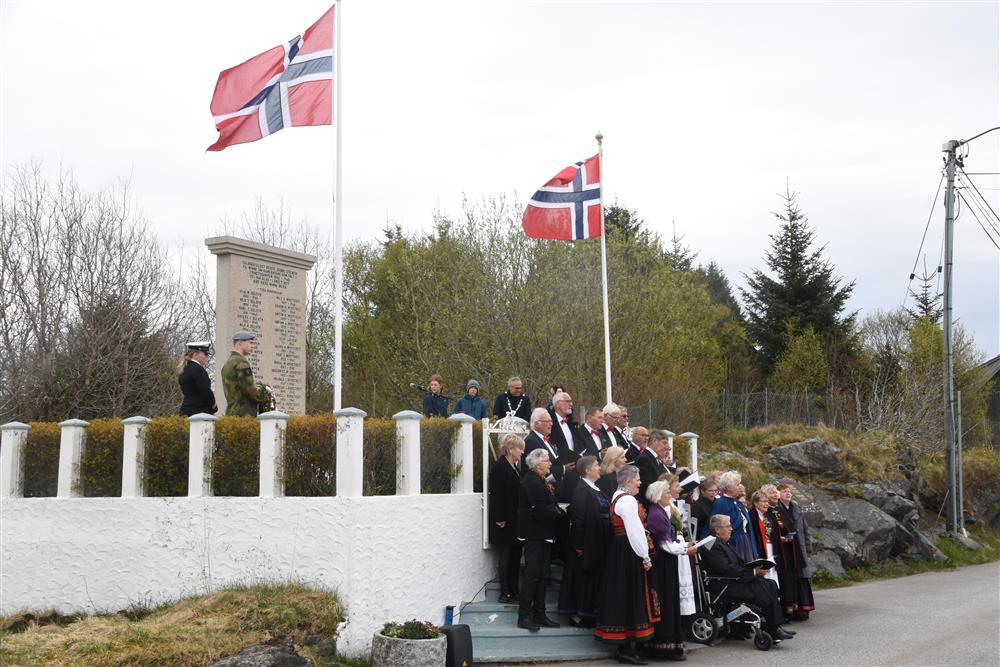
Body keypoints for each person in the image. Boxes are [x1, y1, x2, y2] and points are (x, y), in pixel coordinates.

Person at [595, 465, 660, 665]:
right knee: (632, 594)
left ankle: (626, 646)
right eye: (638, 478)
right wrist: (645, 556)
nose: (640, 482)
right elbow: (635, 531)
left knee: (623, 594)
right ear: (628, 481)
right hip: (628, 551)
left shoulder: (617, 497)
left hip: (620, 551)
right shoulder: (628, 500)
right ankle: (628, 648)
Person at [700, 514, 795, 642]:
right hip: (724, 585)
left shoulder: (725, 543)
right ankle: (772, 628)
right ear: (717, 529)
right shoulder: (711, 545)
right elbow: (726, 569)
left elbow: (738, 565)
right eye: (728, 526)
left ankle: (774, 626)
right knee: (764, 587)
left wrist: (755, 565)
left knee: (771, 584)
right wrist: (753, 572)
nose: (731, 529)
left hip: (735, 580)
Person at [645, 478, 697, 661]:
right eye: (666, 492)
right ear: (658, 495)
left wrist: (684, 545)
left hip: (668, 562)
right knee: (666, 603)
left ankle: (672, 646)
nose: (669, 495)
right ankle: (664, 648)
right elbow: (666, 545)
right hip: (663, 564)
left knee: (671, 602)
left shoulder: (659, 511)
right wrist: (686, 550)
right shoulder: (656, 514)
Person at [516, 448, 565, 631]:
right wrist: (558, 511)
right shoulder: (531, 481)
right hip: (535, 535)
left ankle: (540, 613)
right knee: (532, 575)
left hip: (544, 535)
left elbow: (548, 504)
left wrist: (554, 509)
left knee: (543, 575)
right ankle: (524, 616)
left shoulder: (540, 480)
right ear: (537, 464)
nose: (550, 464)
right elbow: (541, 510)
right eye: (546, 461)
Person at [559, 456, 611, 628]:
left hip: (599, 539)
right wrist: (579, 545)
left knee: (594, 577)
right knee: (585, 578)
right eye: (596, 465)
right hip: (588, 541)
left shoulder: (595, 488)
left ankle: (591, 612)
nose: (599, 468)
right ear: (588, 470)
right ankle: (579, 615)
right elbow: (579, 520)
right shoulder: (581, 491)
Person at [490, 434, 525, 604]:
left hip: (515, 520)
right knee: (506, 555)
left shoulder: (514, 467)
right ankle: (505, 592)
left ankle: (514, 590)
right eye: (519, 448)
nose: (522, 452)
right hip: (505, 520)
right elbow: (497, 494)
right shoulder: (501, 466)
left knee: (515, 555)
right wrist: (500, 518)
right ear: (510, 449)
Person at [775, 483, 816, 620]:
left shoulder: (796, 508)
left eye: (789, 491)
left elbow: (805, 530)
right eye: (784, 491)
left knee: (803, 577)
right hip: (787, 550)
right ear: (778, 494)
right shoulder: (777, 509)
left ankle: (804, 608)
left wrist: (808, 549)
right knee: (791, 579)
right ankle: (791, 609)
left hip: (800, 547)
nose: (788, 493)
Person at [703, 471, 756, 564]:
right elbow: (714, 527)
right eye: (737, 484)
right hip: (733, 543)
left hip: (744, 542)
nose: (740, 486)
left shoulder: (738, 503)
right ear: (728, 487)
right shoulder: (721, 503)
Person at [522, 408, 562, 490]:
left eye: (551, 421)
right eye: (547, 421)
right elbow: (536, 469)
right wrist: (563, 469)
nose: (551, 424)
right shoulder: (531, 441)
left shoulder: (547, 440)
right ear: (537, 424)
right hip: (541, 489)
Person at [221, 330, 259, 417]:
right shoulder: (241, 362)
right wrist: (263, 398)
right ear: (240, 343)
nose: (252, 346)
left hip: (231, 411)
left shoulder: (228, 363)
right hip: (244, 412)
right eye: (250, 343)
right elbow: (248, 388)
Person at [177, 341, 217, 416]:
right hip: (199, 412)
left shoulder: (185, 368)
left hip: (186, 411)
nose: (207, 357)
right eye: (205, 354)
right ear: (195, 354)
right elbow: (205, 391)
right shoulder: (198, 369)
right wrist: (214, 406)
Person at [749, 489, 780, 587]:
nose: (767, 504)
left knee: (773, 571)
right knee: (764, 572)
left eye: (767, 501)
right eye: (764, 501)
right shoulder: (752, 516)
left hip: (770, 547)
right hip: (761, 548)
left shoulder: (768, 516)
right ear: (755, 502)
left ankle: (774, 593)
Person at [635, 430, 671, 507]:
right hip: (650, 507)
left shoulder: (654, 458)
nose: (666, 447)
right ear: (654, 441)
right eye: (664, 443)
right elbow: (647, 487)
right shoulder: (644, 459)